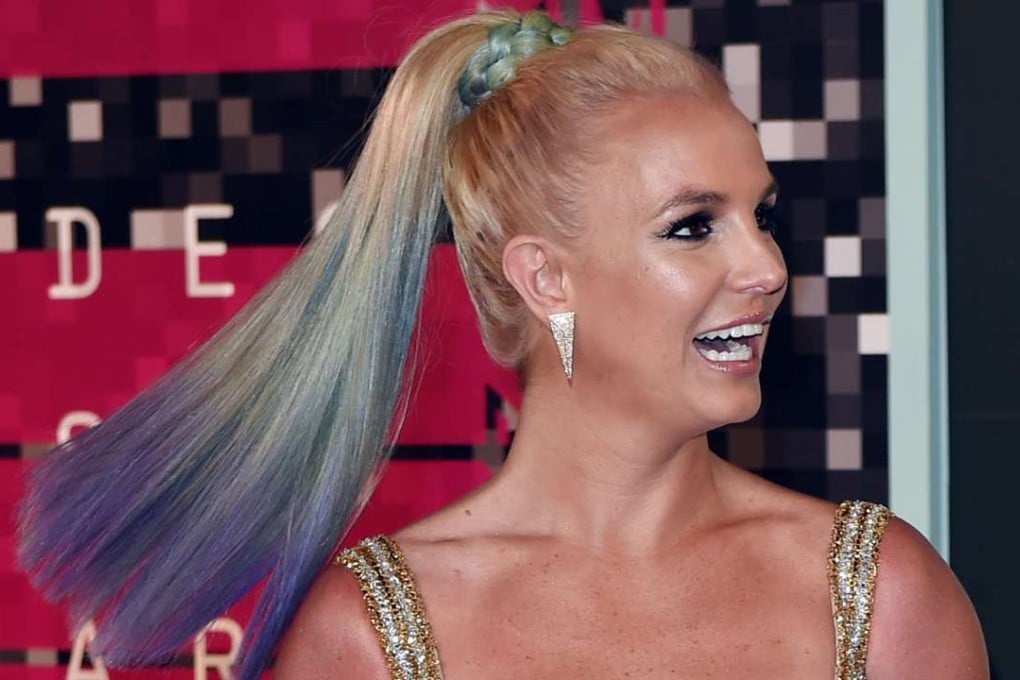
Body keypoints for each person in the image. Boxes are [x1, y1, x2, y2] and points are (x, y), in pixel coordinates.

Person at [18, 9, 987, 680]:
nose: (766, 266)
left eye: (761, 215)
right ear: (545, 277)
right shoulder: (372, 636)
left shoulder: (879, 590)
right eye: (694, 226)